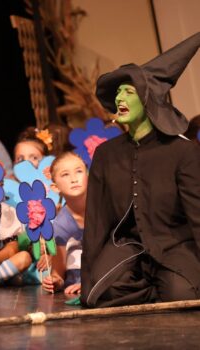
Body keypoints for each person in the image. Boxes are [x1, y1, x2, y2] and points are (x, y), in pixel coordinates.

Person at [81, 32, 200, 307]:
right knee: (98, 293)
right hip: (126, 247)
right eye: (118, 91)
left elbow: (197, 215)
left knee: (182, 296)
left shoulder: (183, 151)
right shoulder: (106, 154)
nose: (120, 97)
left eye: (129, 91)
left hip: (174, 246)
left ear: (149, 100)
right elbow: (96, 222)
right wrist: (87, 277)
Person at [41, 151, 87, 294]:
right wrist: (54, 281)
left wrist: (91, 283)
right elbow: (59, 273)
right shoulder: (61, 225)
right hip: (76, 286)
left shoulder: (104, 210)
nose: (74, 179)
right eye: (65, 174)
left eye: (79, 171)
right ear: (55, 187)